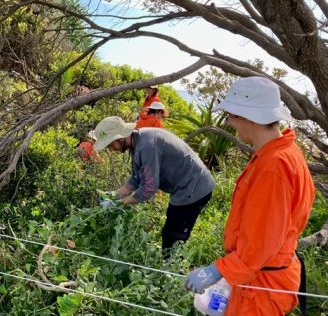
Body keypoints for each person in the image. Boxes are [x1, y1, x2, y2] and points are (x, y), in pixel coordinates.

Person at [184, 77, 315, 315]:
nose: (230, 123)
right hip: (264, 273)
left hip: (261, 285)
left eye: (231, 117)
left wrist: (217, 270)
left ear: (247, 117)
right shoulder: (284, 151)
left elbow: (261, 241)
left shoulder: (273, 166)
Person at [93, 116, 215, 251]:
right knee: (171, 230)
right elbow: (137, 178)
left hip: (194, 188)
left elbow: (149, 188)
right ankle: (168, 261)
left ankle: (171, 267)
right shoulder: (138, 139)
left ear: (120, 138)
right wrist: (114, 195)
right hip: (186, 185)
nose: (110, 149)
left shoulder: (147, 146)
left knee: (173, 236)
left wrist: (119, 204)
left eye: (110, 145)